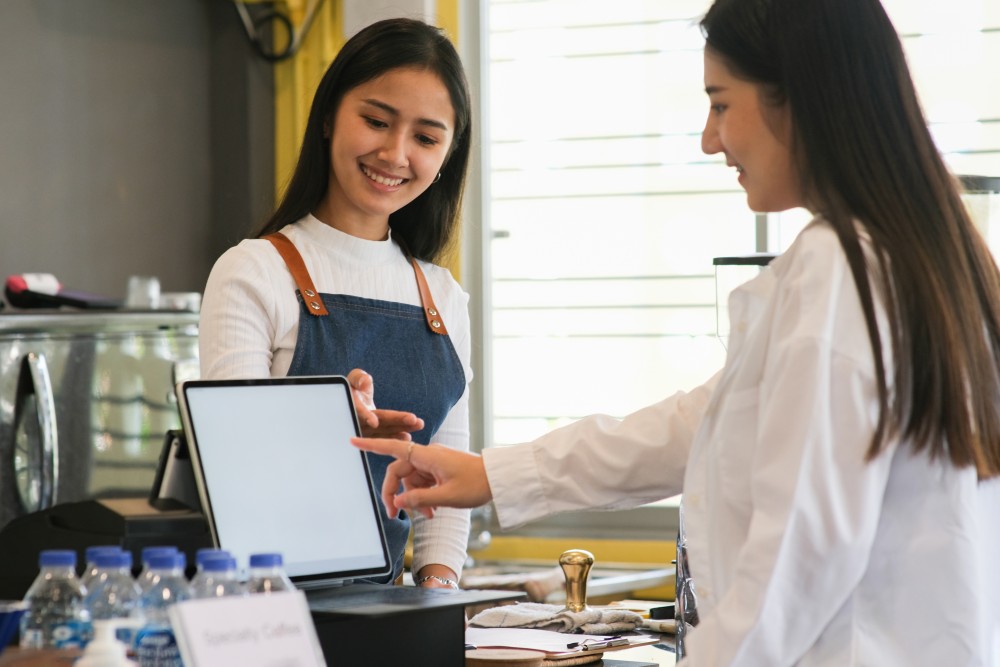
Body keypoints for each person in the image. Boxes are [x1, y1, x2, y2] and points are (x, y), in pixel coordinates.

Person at [353, 0, 1000, 663]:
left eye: (721, 103)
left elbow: (796, 563)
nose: (708, 139)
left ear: (799, 97)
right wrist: (494, 473)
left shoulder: (841, 274)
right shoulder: (931, 262)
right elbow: (697, 426)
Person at [199, 17, 474, 589]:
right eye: (375, 121)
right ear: (328, 116)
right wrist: (320, 422)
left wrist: (436, 592)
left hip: (390, 618)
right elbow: (235, 471)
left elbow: (447, 484)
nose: (395, 154)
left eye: (425, 138)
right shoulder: (254, 271)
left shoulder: (443, 295)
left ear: (447, 155)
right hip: (274, 609)